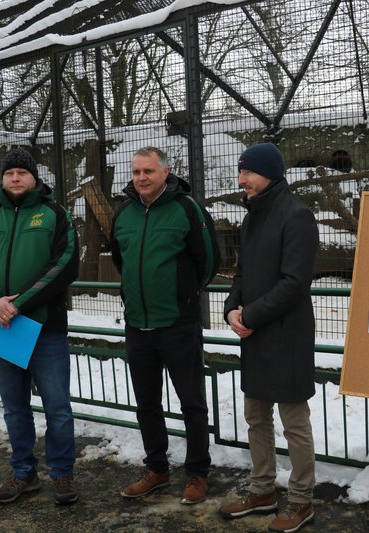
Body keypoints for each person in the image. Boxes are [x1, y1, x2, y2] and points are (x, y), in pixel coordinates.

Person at [0, 147, 80, 506]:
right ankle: (23, 472)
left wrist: (17, 303)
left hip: (45, 328)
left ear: (34, 178)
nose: (15, 178)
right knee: (14, 407)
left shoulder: (54, 215)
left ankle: (62, 475)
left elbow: (65, 263)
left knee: (57, 406)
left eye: (22, 173)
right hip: (3, 326)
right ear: (2, 179)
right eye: (9, 173)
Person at [110, 146, 220, 505]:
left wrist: (183, 297)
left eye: (149, 171)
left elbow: (209, 261)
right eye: (136, 171)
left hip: (177, 324)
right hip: (137, 325)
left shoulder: (187, 208)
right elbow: (120, 260)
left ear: (166, 171)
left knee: (191, 402)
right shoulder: (123, 214)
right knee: (147, 403)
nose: (141, 178)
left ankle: (197, 474)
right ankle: (156, 469)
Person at [218, 143, 319, 533]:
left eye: (247, 173)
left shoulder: (297, 215)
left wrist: (252, 316)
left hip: (286, 336)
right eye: (241, 173)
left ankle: (301, 500)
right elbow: (241, 276)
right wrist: (231, 309)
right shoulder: (252, 218)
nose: (241, 180)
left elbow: (294, 282)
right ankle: (262, 490)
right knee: (256, 417)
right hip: (255, 334)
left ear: (270, 173)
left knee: (294, 421)